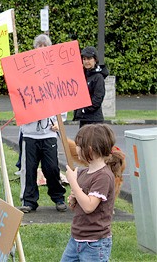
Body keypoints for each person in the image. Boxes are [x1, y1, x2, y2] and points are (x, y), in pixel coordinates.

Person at [18, 34, 67, 213]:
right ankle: (29, 201)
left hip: (48, 132)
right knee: (29, 169)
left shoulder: (55, 75)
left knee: (52, 167)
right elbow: (19, 97)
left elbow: (63, 97)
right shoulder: (25, 75)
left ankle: (58, 196)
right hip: (30, 132)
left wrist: (59, 122)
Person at [61, 124, 122, 262]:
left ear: (89, 149)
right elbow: (78, 206)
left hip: (95, 244)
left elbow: (89, 207)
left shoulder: (103, 177)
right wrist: (73, 199)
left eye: (78, 145)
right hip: (76, 239)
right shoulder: (83, 172)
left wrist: (73, 183)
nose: (76, 149)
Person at [73, 46, 109, 128]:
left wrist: (84, 109)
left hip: (94, 121)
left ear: (95, 60)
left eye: (89, 59)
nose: (86, 62)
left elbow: (97, 99)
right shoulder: (82, 75)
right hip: (84, 119)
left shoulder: (98, 77)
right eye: (84, 59)